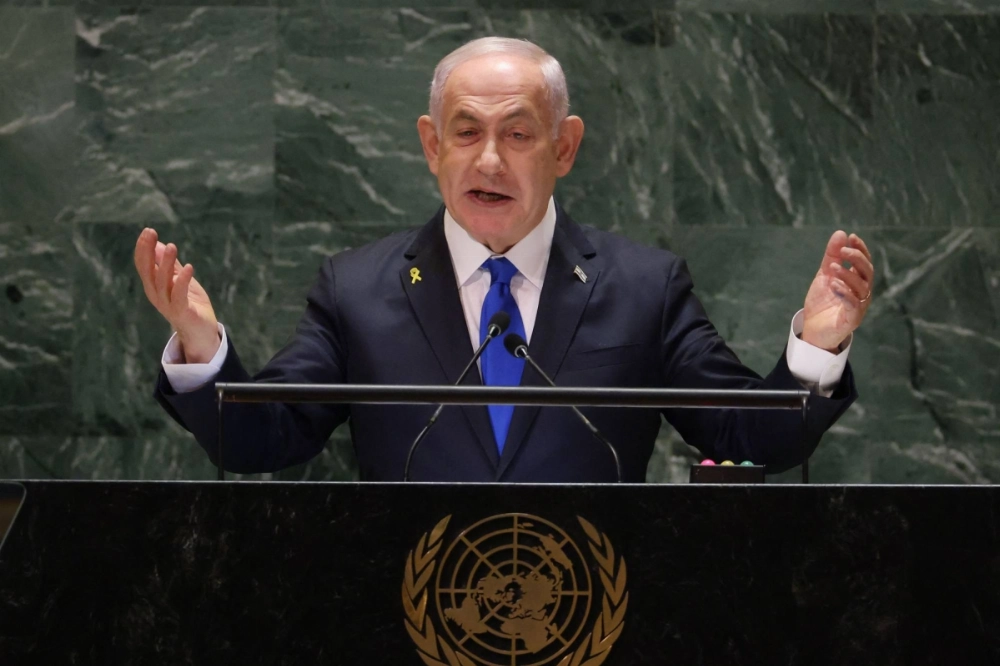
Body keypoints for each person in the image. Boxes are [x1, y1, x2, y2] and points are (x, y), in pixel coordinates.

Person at [135, 37, 873, 483]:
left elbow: (751, 436)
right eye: (465, 133)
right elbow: (264, 440)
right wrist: (203, 350)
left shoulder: (644, 288)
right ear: (431, 146)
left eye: (519, 135)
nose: (489, 160)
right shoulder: (356, 290)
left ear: (564, 148)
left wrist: (816, 348)